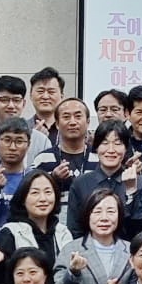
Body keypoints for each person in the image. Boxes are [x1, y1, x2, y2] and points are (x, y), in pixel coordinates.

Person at [55, 189, 134, 284]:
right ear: (88, 215)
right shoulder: (72, 249)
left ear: (119, 215)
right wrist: (73, 273)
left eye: (111, 211)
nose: (104, 218)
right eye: (97, 212)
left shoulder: (131, 250)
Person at [65, 120, 142, 238]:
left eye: (118, 143)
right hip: (88, 247)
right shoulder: (81, 183)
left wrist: (131, 193)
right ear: (96, 148)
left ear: (126, 148)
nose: (111, 150)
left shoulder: (141, 182)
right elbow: (75, 229)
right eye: (104, 143)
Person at [33, 97, 96, 226]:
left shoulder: (98, 158)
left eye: (78, 116)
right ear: (57, 124)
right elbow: (32, 194)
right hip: (53, 226)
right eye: (66, 117)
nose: (72, 122)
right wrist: (53, 178)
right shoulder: (43, 158)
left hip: (92, 225)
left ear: (88, 122)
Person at [0, 169, 73, 262]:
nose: (43, 199)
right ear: (23, 199)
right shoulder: (11, 233)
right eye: (35, 193)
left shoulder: (63, 232)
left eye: (48, 192)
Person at [27, 67, 66, 154]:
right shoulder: (20, 128)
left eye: (51, 92)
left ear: (61, 96)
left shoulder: (71, 128)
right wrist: (34, 138)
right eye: (40, 91)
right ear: (31, 95)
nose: (45, 96)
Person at [0, 76, 31, 140]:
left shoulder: (40, 140)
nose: (11, 106)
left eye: (16, 100)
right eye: (4, 100)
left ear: (23, 104)